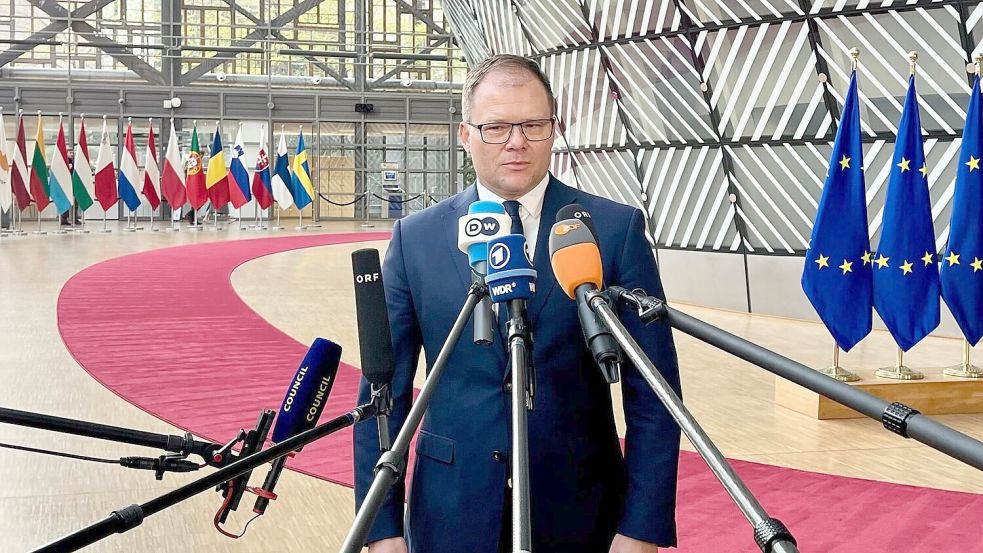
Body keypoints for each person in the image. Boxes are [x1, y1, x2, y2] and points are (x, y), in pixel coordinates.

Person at [354, 54, 681, 553]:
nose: (516, 141)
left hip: (581, 513)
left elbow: (654, 392)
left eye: (533, 125)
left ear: (555, 129)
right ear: (466, 135)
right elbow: (384, 394)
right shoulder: (415, 239)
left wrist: (642, 527)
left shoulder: (614, 231)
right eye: (496, 127)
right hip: (451, 512)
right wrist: (380, 529)